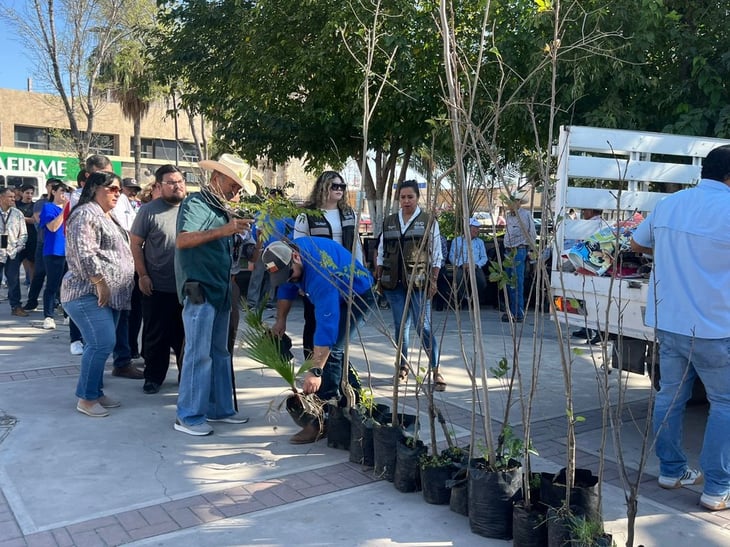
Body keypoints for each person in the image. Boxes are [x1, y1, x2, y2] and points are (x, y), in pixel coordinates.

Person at [630, 144, 730, 512]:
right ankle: (717, 488)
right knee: (725, 403)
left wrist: (674, 252)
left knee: (669, 396)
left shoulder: (669, 205)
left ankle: (671, 472)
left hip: (669, 321)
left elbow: (636, 243)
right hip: (717, 326)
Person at [174, 153, 253, 436]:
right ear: (216, 179)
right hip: (201, 289)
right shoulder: (196, 203)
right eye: (234, 185)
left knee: (219, 352)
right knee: (198, 353)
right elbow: (183, 240)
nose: (236, 192)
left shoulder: (219, 208)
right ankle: (189, 415)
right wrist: (227, 229)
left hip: (218, 289)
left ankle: (219, 408)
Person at [266, 237, 374, 443]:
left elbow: (327, 327)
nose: (288, 280)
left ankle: (321, 419)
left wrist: (316, 372)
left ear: (296, 258)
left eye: (288, 275)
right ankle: (355, 400)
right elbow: (286, 288)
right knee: (330, 350)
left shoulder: (320, 276)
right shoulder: (288, 258)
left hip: (358, 294)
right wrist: (280, 321)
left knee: (332, 351)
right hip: (337, 293)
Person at [62, 172, 135, 417]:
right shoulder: (85, 214)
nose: (118, 193)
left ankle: (95, 391)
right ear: (94, 188)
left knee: (103, 344)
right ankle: (86, 398)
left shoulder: (106, 215)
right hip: (87, 293)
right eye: (112, 188)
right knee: (101, 342)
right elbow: (85, 252)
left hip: (109, 296)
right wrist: (100, 282)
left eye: (119, 190)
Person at [375, 179, 445, 391]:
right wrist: (378, 275)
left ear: (417, 197)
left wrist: (434, 280)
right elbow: (380, 251)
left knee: (422, 326)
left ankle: (435, 369)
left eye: (410, 197)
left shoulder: (429, 221)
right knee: (400, 326)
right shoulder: (389, 222)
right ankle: (402, 367)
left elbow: (437, 255)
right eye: (403, 197)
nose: (406, 201)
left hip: (419, 283)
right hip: (394, 284)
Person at [293, 171, 363, 360]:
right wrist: (300, 281)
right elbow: (297, 247)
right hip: (317, 277)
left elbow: (356, 245)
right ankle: (311, 365)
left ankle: (334, 368)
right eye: (335, 186)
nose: (339, 190)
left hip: (344, 277)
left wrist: (360, 271)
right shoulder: (306, 215)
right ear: (323, 187)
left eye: (342, 186)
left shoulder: (349, 214)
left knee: (338, 324)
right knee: (313, 322)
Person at [130, 165, 187, 395]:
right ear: (159, 186)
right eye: (171, 182)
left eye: (180, 181)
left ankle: (187, 378)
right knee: (156, 336)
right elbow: (135, 244)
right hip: (157, 286)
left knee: (186, 337)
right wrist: (142, 275)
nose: (177, 186)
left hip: (188, 288)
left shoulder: (192, 209)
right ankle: (153, 377)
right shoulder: (149, 211)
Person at [113, 177, 143, 360]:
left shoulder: (131, 204)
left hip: (134, 262)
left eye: (135, 189)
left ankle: (130, 348)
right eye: (129, 188)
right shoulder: (118, 204)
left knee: (134, 311)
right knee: (125, 312)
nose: (133, 192)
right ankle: (123, 355)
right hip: (123, 263)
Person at [39, 180, 72, 329]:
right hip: (54, 251)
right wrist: (64, 211)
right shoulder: (48, 207)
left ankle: (67, 314)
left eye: (66, 192)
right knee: (52, 284)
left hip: (69, 252)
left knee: (67, 286)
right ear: (53, 192)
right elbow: (52, 227)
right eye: (61, 192)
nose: (64, 195)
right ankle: (48, 316)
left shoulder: (71, 208)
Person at [501, 194, 536, 323]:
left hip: (519, 249)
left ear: (518, 202)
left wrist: (531, 250)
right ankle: (512, 310)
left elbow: (532, 233)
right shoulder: (508, 216)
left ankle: (518, 312)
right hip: (509, 250)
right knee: (509, 281)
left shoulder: (525, 215)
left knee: (516, 282)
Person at [24, 179, 55, 311]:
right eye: (52, 187)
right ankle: (32, 300)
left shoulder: (63, 204)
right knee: (39, 273)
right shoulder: (40, 203)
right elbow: (40, 220)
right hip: (43, 242)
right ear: (47, 187)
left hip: (58, 244)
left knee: (56, 275)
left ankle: (56, 302)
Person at [0, 187, 28, 316]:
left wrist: (17, 248)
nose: (13, 199)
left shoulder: (17, 214)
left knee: (14, 280)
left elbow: (23, 234)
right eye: (10, 197)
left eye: (13, 197)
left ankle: (16, 306)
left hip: (12, 252)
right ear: (1, 198)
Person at [449, 217, 488, 309]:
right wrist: (462, 264)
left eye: (478, 228)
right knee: (458, 278)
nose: (477, 230)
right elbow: (452, 256)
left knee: (482, 282)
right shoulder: (457, 241)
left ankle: (474, 298)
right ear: (468, 228)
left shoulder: (480, 242)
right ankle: (464, 299)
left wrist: (475, 265)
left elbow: (484, 257)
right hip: (461, 266)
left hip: (475, 266)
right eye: (475, 228)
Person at [15, 184, 36, 286]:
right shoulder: (15, 204)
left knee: (32, 263)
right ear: (22, 193)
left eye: (32, 193)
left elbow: (33, 220)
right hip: (17, 237)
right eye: (27, 193)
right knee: (15, 265)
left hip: (31, 237)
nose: (29, 195)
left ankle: (32, 287)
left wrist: (20, 218)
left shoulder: (34, 206)